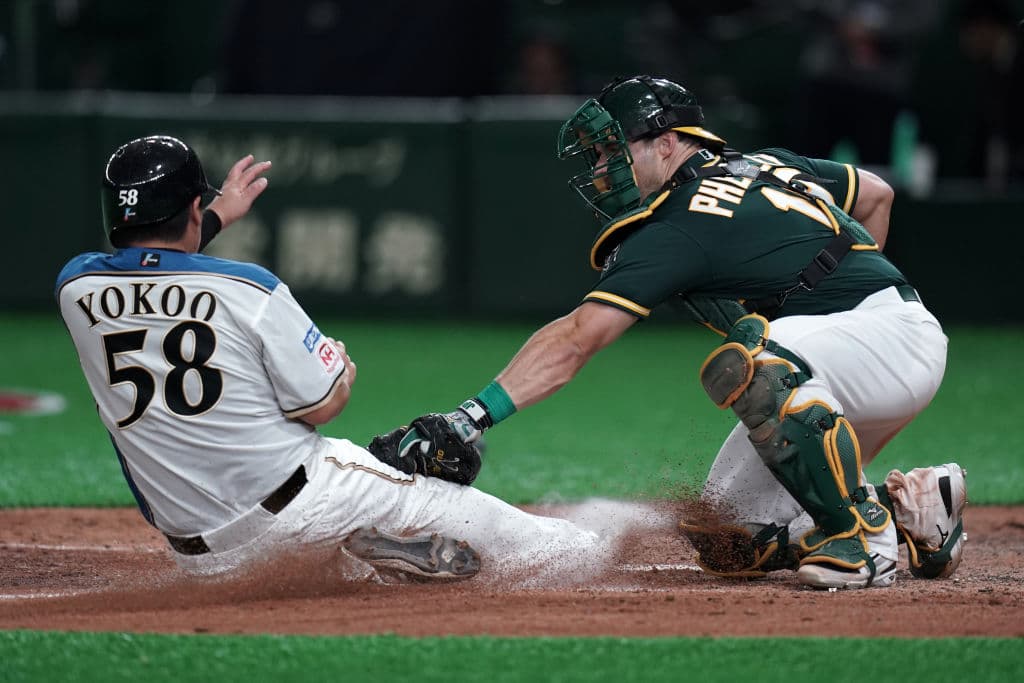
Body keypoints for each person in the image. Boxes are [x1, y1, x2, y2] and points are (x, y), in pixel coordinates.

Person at [368, 75, 967, 590]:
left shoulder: (678, 225)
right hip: (871, 343)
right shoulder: (766, 164)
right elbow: (877, 195)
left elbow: (579, 337)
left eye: (612, 150)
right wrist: (840, 307)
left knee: (756, 367)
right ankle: (915, 510)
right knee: (730, 539)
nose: (602, 168)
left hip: (877, 343)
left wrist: (469, 418)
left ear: (668, 142)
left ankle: (861, 542)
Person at [55, 134, 621, 583]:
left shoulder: (75, 288)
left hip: (202, 559)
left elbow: (149, 268)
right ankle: (585, 542)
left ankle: (389, 554)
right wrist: (341, 366)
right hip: (307, 506)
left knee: (351, 578)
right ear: (195, 208)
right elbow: (325, 404)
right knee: (562, 554)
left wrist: (215, 215)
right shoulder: (251, 288)